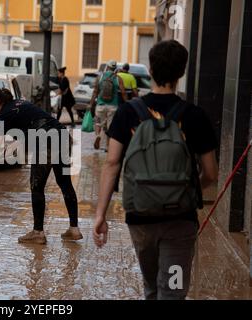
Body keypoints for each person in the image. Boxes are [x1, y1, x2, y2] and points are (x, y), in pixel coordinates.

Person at [93, 40, 219, 300]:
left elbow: (112, 164)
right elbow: (211, 174)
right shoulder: (195, 116)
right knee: (172, 291)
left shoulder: (129, 112)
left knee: (152, 288)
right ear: (181, 73)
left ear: (150, 70)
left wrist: (100, 215)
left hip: (140, 220)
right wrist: (187, 190)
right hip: (180, 222)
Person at [0, 88, 83, 244]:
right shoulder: (19, 103)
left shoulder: (3, 116)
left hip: (45, 144)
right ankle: (74, 229)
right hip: (62, 137)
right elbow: (29, 126)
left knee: (37, 186)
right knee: (65, 183)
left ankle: (38, 233)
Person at [90, 60, 127, 152]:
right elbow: (123, 92)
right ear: (115, 68)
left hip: (100, 105)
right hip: (113, 106)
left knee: (98, 123)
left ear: (107, 67)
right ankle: (107, 146)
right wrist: (127, 103)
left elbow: (95, 91)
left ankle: (98, 135)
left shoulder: (100, 76)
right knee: (110, 127)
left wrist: (91, 103)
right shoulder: (118, 78)